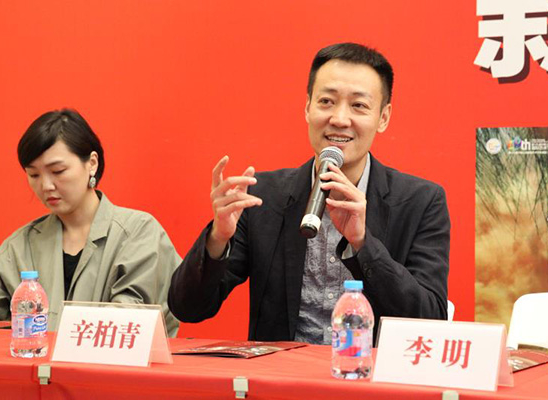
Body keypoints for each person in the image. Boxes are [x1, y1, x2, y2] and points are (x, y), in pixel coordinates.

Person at [169, 42, 450, 344]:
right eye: (326, 101)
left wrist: (362, 243)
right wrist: (218, 238)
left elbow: (429, 319)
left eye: (358, 105)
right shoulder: (262, 197)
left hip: (370, 372)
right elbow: (188, 308)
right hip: (283, 373)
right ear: (307, 108)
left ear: (383, 117)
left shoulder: (422, 202)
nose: (339, 119)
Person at [0, 109, 181, 337]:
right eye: (34, 175)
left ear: (92, 163)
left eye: (58, 171)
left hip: (115, 361)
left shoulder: (138, 232)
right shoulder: (17, 249)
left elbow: (130, 323)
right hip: (37, 362)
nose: (46, 185)